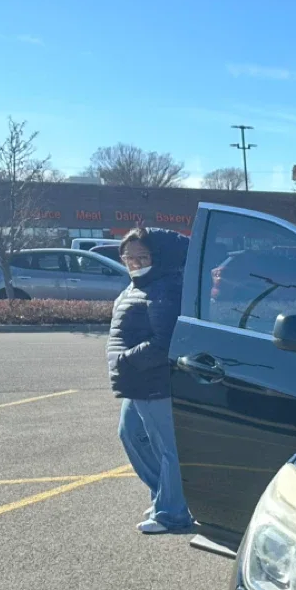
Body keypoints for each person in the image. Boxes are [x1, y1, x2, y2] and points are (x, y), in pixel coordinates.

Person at [105, 226, 194, 534]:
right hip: (137, 382)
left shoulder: (164, 287)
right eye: (128, 257)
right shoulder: (136, 286)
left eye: (142, 256)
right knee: (130, 435)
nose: (134, 262)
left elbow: (165, 341)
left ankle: (173, 513)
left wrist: (126, 361)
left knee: (167, 448)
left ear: (157, 256)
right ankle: (166, 498)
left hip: (154, 381)